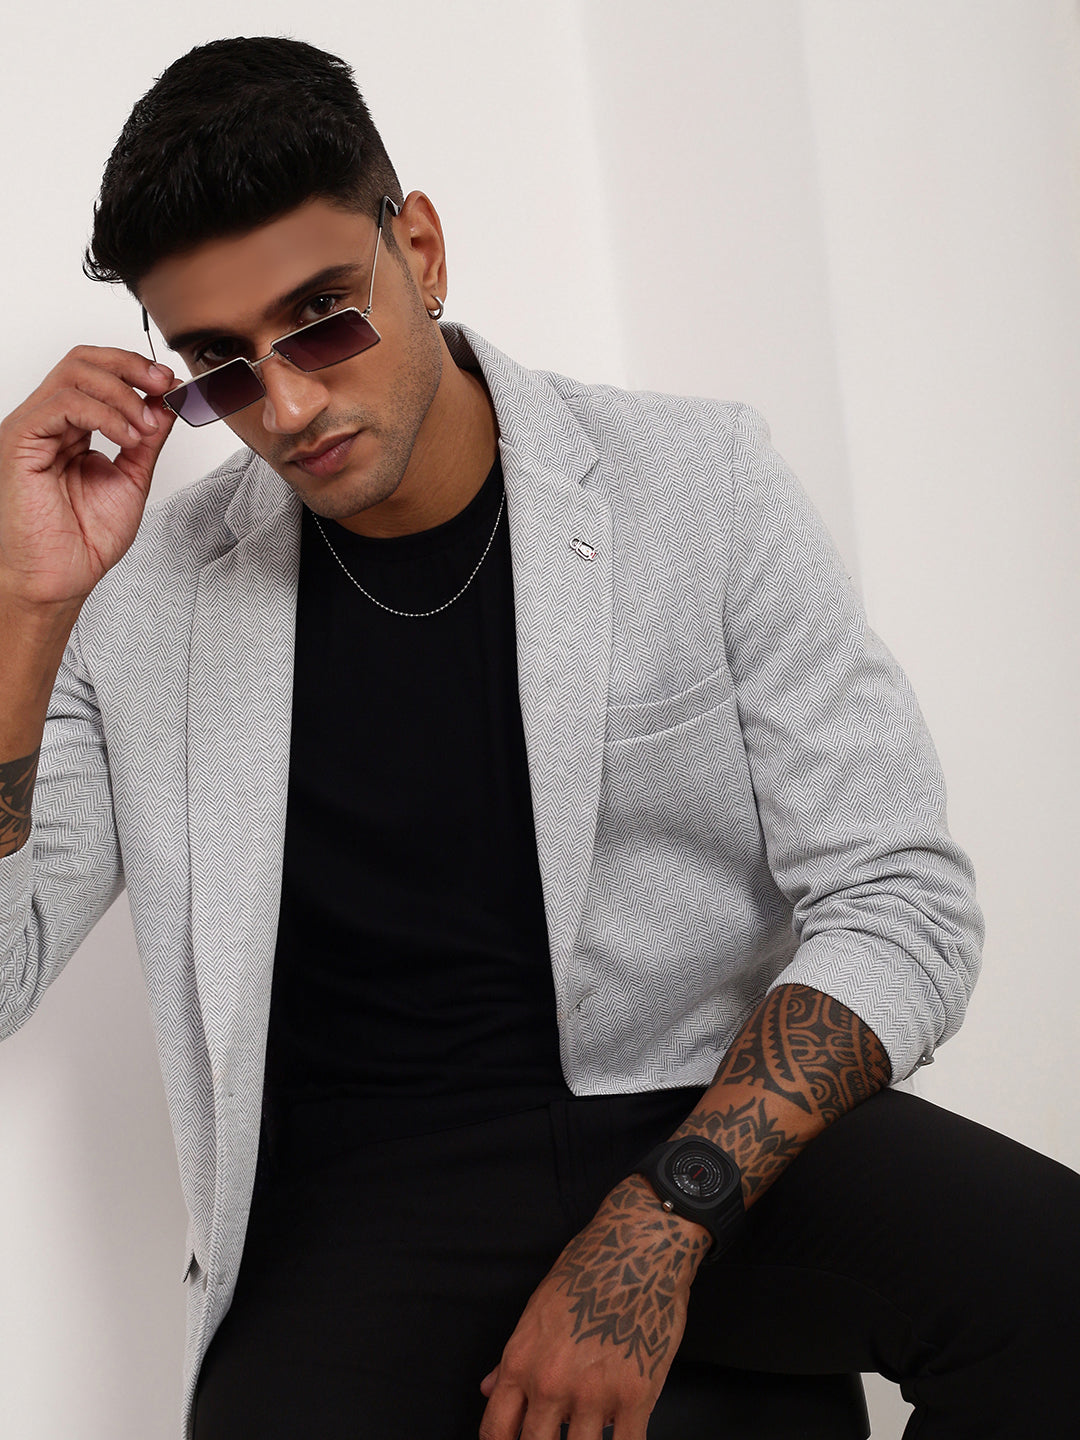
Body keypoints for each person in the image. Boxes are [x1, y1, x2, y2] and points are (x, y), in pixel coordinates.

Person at [0, 34, 1076, 1440]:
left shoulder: (697, 485)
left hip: (690, 1122)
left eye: (321, 318)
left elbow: (902, 901)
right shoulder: (140, 598)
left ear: (421, 250)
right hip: (361, 1200)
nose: (291, 405)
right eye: (222, 366)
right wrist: (26, 608)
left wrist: (662, 1222)